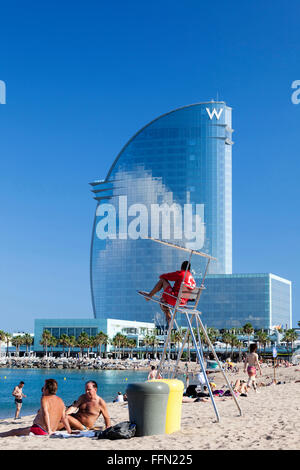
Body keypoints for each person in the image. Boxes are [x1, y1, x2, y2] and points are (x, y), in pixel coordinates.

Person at [0, 379, 71, 437]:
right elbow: (64, 417)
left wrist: (49, 430)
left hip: (40, 429)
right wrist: (69, 430)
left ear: (46, 389)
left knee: (14, 431)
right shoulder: (60, 400)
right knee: (20, 429)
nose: (42, 389)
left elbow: (45, 414)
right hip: (51, 429)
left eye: (44, 387)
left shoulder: (44, 398)